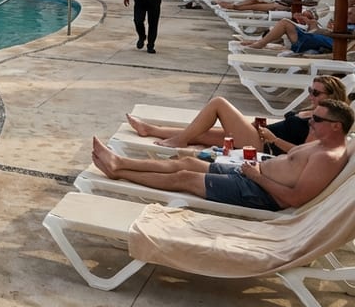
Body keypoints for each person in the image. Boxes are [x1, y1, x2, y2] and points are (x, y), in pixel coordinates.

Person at [93, 99, 353, 211]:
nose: (311, 121)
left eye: (317, 119)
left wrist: (256, 176)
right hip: (255, 173)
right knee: (186, 161)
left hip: (260, 192)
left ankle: (118, 171)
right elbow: (294, 157)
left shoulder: (327, 157)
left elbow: (294, 198)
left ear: (336, 126)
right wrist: (271, 146)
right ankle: (120, 161)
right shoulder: (320, 144)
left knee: (184, 177)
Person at [126, 75, 348, 155]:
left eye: (316, 93)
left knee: (219, 103)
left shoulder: (323, 121)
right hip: (260, 135)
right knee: (203, 133)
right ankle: (149, 129)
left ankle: (179, 140)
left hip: (265, 147)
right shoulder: (313, 111)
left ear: (332, 95)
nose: (310, 95)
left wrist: (273, 139)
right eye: (310, 90)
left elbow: (304, 152)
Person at [240, 2, 355, 53]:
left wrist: (331, 30)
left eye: (350, 14)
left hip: (321, 44)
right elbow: (321, 33)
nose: (346, 15)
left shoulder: (351, 29)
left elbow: (335, 40)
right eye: (347, 12)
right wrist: (311, 24)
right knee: (286, 23)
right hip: (316, 40)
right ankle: (261, 42)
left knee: (285, 23)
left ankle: (260, 43)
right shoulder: (344, 25)